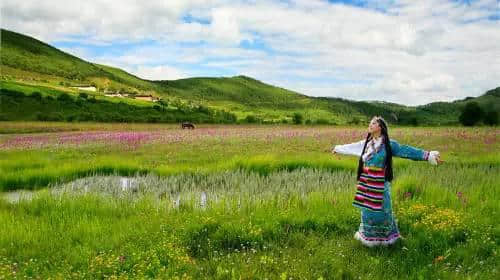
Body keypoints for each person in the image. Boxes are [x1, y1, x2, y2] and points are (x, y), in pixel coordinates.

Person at [332, 116, 443, 247]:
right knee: (367, 211)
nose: (370, 125)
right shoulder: (367, 143)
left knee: (383, 210)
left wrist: (428, 155)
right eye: (370, 123)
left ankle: (386, 239)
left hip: (380, 183)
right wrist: (338, 148)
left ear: (380, 127)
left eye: (373, 123)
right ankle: (369, 238)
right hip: (367, 182)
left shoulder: (389, 144)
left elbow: (406, 150)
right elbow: (352, 147)